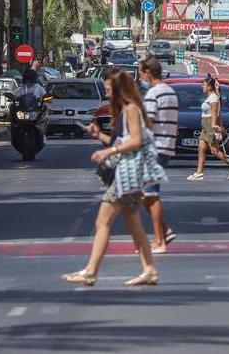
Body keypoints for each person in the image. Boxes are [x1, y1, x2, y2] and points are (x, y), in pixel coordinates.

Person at [64, 70, 163, 286]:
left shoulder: (131, 110)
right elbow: (123, 141)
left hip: (126, 175)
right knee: (134, 224)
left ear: (120, 90)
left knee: (102, 222)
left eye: (109, 90)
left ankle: (91, 272)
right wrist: (99, 136)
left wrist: (109, 151)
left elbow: (135, 141)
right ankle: (149, 269)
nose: (107, 94)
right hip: (129, 174)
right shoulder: (127, 111)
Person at [139, 56, 178, 253]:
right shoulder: (170, 92)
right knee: (144, 194)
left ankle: (159, 240)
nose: (140, 78)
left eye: (141, 73)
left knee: (151, 195)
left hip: (155, 148)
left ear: (148, 72)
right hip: (166, 147)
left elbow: (148, 122)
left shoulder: (153, 93)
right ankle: (164, 231)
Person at [188, 76, 229, 181]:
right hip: (205, 126)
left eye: (204, 85)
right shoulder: (210, 97)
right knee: (201, 148)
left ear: (210, 87)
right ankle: (199, 173)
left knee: (214, 151)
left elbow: (215, 113)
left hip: (210, 125)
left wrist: (215, 126)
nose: (202, 86)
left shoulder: (214, 98)